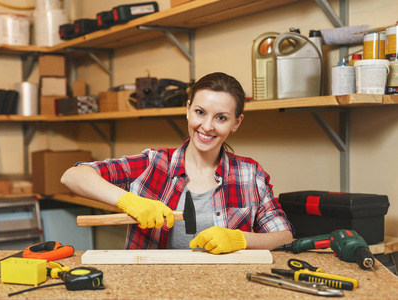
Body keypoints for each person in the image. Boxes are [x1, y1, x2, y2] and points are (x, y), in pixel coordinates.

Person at [61, 72, 293, 254]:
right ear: (187, 109)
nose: (207, 126)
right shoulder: (154, 164)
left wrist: (240, 239)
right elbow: (73, 176)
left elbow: (284, 236)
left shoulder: (250, 175)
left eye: (221, 117)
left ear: (236, 123)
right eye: (200, 112)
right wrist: (129, 202)